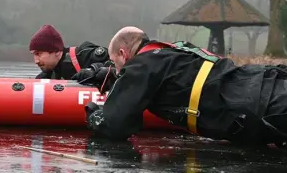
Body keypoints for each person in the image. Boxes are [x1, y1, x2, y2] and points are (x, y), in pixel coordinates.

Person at [71, 26, 287, 148]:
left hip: (259, 107)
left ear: (123, 54)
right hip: (264, 80)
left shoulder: (140, 66)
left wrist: (94, 114)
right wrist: (110, 78)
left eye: (116, 64)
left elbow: (115, 125)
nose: (117, 70)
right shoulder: (171, 52)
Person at [29, 24, 111, 80]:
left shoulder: (83, 54)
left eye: (38, 54)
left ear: (57, 51)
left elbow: (118, 64)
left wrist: (94, 72)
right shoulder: (44, 78)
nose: (36, 61)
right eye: (33, 55)